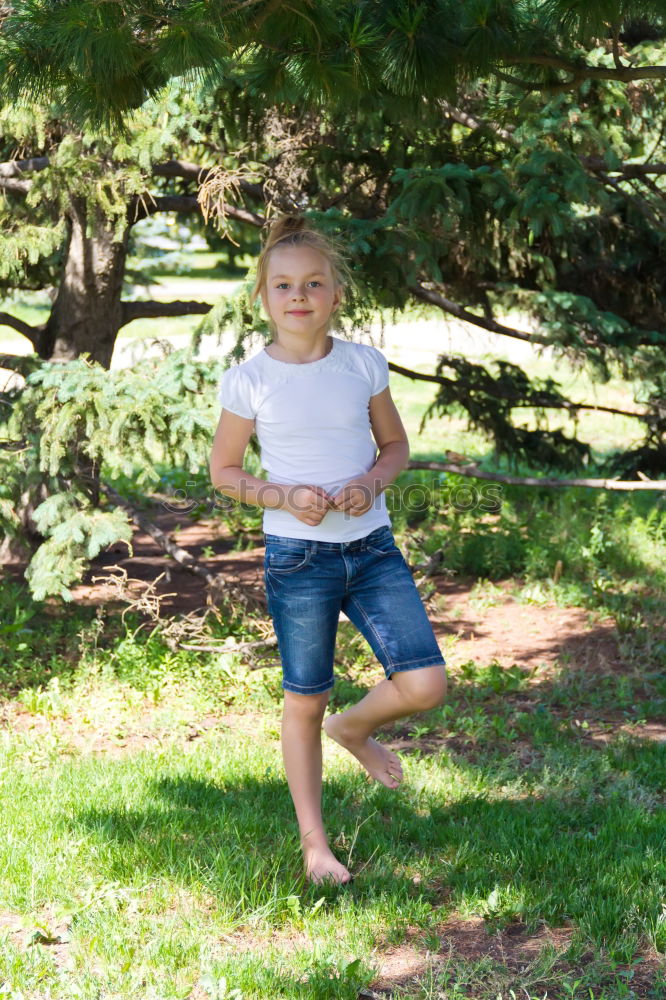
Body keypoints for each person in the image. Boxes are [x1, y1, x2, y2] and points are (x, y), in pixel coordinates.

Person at [209, 215, 447, 886]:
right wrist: (282, 495)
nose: (299, 296)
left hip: (371, 549)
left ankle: (355, 729)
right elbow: (225, 472)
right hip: (299, 559)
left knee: (425, 684)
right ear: (264, 299)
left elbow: (395, 447)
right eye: (283, 285)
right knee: (304, 698)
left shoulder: (363, 364)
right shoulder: (249, 380)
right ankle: (315, 844)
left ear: (335, 294)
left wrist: (371, 483)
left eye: (314, 283)